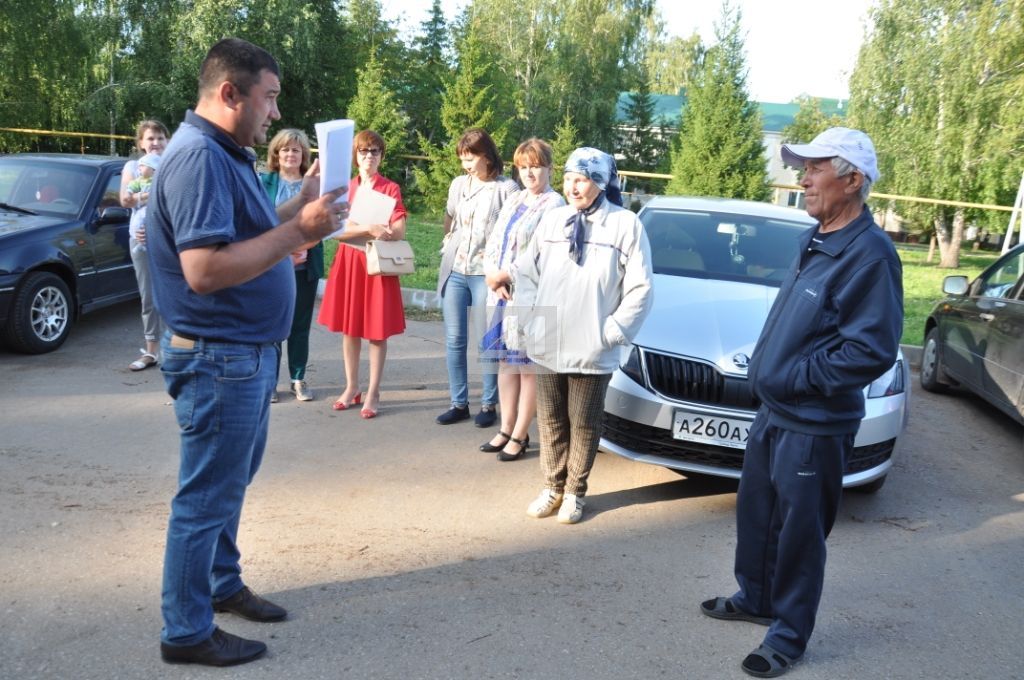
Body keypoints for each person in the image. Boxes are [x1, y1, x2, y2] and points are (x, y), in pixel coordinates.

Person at [147, 37, 347, 667]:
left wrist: (298, 202)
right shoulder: (200, 158)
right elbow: (203, 269)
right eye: (268, 98)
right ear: (229, 93)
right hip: (218, 356)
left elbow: (248, 228)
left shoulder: (225, 153)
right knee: (205, 496)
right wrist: (298, 231)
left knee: (227, 484)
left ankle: (221, 584)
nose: (273, 112)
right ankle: (185, 630)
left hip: (240, 353)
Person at [699, 127, 903, 678]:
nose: (803, 178)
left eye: (815, 168)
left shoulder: (870, 255)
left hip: (814, 423)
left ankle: (787, 635)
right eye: (802, 167)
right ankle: (755, 599)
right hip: (776, 414)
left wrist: (794, 376)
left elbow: (872, 350)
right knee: (758, 517)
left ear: (853, 180)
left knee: (799, 536)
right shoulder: (816, 239)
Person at [513, 147, 653, 524]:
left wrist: (614, 330)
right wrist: (529, 318)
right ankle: (551, 486)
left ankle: (575, 491)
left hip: (592, 344)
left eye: (582, 179)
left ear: (601, 182)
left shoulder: (625, 225)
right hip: (549, 339)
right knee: (551, 419)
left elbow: (641, 287)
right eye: (569, 179)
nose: (573, 187)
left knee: (585, 422)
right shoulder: (553, 220)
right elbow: (526, 273)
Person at [481, 138, 565, 460]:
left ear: (549, 168)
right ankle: (505, 428)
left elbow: (539, 253)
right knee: (506, 363)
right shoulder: (515, 199)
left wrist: (506, 274)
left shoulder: (554, 205)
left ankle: (520, 434)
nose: (529, 173)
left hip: (529, 297)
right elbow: (494, 240)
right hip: (501, 294)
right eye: (524, 167)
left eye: (536, 166)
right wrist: (491, 273)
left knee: (526, 367)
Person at [318, 129, 408, 418]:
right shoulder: (345, 187)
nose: (369, 156)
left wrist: (386, 230)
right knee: (350, 328)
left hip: (376, 264)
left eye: (375, 151)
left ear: (381, 156)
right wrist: (369, 228)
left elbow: (399, 230)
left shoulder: (390, 188)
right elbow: (335, 232)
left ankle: (373, 391)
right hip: (349, 263)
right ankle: (351, 387)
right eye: (363, 151)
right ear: (355, 156)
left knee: (377, 331)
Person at [436, 128, 519, 427]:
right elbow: (449, 216)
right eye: (462, 159)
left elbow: (514, 232)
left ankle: (488, 404)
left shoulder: (506, 188)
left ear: (486, 155)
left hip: (487, 276)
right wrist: (448, 241)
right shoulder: (459, 184)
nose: (465, 164)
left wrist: (503, 270)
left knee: (488, 341)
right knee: (454, 339)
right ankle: (458, 403)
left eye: (470, 158)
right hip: (456, 271)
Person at [260, 128, 322, 403]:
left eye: (296, 149)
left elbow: (324, 223)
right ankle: (269, 381)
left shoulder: (316, 184)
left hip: (304, 265)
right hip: (272, 265)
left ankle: (298, 378)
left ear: (304, 155)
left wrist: (300, 247)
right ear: (276, 153)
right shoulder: (264, 182)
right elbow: (259, 221)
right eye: (285, 149)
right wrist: (282, 248)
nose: (290, 154)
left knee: (299, 326)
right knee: (272, 325)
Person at [121, 119, 169, 371]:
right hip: (140, 237)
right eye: (150, 138)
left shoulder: (174, 163)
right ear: (141, 143)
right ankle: (151, 351)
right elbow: (125, 200)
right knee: (148, 296)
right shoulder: (133, 166)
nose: (156, 143)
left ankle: (176, 349)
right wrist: (146, 195)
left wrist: (141, 196)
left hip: (170, 237)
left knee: (176, 293)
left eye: (160, 138)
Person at [127, 153, 160, 255]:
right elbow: (129, 192)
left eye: (143, 165)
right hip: (144, 209)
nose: (139, 168)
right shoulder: (140, 180)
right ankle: (141, 245)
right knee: (139, 223)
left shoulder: (158, 179)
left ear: (153, 169)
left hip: (155, 211)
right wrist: (130, 192)